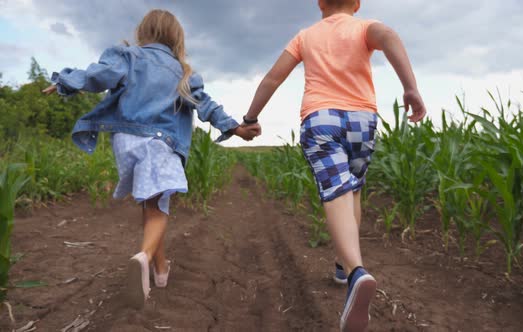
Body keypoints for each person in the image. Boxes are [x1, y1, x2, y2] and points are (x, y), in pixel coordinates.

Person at [43, 9, 260, 309]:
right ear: (176, 39)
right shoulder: (182, 72)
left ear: (143, 32)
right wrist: (235, 128)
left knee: (152, 202)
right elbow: (204, 105)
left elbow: (97, 75)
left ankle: (161, 269)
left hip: (126, 140)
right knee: (159, 208)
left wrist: (66, 82)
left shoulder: (128, 56)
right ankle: (144, 257)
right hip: (160, 141)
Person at [242, 0, 426, 330]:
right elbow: (389, 35)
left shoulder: (305, 36)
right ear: (356, 4)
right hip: (362, 120)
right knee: (352, 190)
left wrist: (251, 117)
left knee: (336, 190)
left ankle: (356, 271)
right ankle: (342, 266)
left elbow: (272, 79)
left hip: (321, 118)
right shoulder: (363, 27)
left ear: (320, 3)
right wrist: (410, 87)